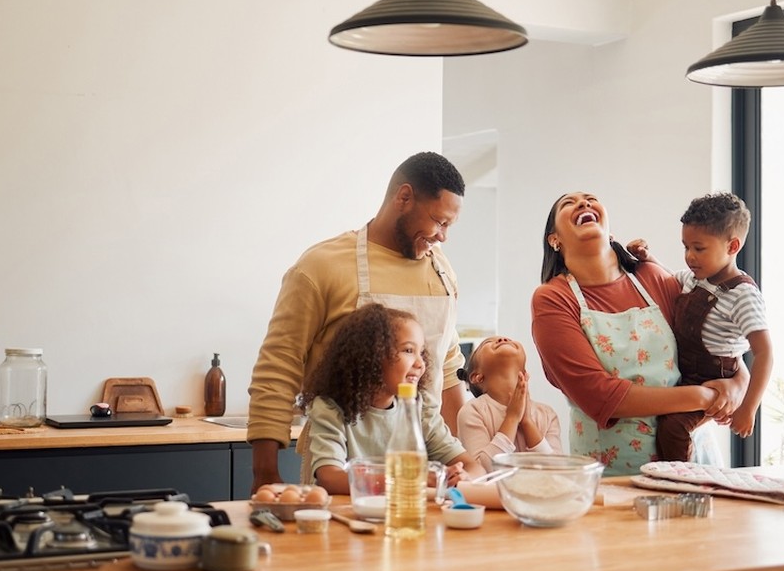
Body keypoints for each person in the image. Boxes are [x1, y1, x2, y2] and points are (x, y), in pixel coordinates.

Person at [247, 152, 468, 489]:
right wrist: (264, 475)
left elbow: (448, 369)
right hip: (343, 477)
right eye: (439, 221)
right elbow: (278, 367)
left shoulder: (443, 271)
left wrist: (465, 462)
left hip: (427, 473)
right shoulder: (321, 266)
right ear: (403, 198)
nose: (443, 237)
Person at [531, 191, 748, 476]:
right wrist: (704, 398)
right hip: (619, 471)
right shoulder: (552, 299)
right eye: (569, 203)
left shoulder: (650, 276)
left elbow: (709, 337)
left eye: (590, 198)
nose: (583, 203)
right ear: (554, 239)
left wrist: (739, 381)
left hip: (694, 459)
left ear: (610, 231)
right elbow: (599, 395)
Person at [628, 192, 772, 461]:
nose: (690, 257)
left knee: (673, 428)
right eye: (686, 247)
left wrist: (749, 408)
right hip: (686, 373)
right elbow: (669, 279)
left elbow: (765, 353)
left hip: (714, 378)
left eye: (699, 248)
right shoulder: (696, 280)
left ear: (732, 247)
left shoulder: (743, 295)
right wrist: (647, 258)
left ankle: (682, 482)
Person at [299, 303, 478, 492]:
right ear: (372, 355)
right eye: (408, 350)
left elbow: (474, 467)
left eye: (421, 352)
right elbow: (330, 478)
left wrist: (463, 476)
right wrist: (409, 479)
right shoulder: (330, 409)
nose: (420, 363)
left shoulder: (421, 407)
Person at [456, 335, 563, 472]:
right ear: (476, 376)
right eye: (488, 342)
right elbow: (481, 471)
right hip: (492, 494)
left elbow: (558, 472)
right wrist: (512, 418)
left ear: (525, 374)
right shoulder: (472, 412)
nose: (503, 340)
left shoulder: (547, 414)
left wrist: (527, 422)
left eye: (510, 340)